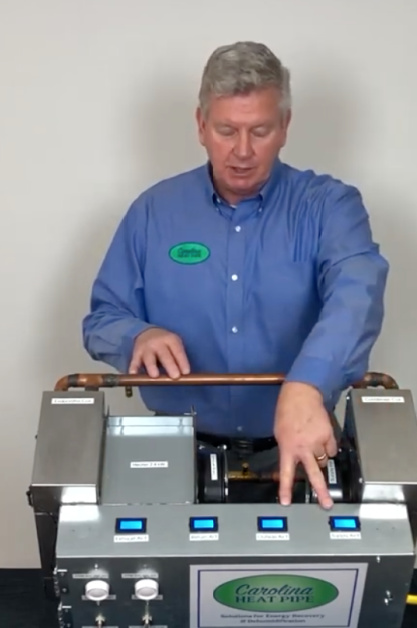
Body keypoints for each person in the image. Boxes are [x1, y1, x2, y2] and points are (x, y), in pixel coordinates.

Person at [81, 41, 389, 509]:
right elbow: (102, 318)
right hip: (170, 461)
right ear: (201, 125)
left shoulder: (331, 207)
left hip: (300, 457)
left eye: (260, 130)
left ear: (285, 126)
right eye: (227, 130)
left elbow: (357, 295)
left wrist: (308, 384)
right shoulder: (152, 212)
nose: (242, 151)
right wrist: (135, 336)